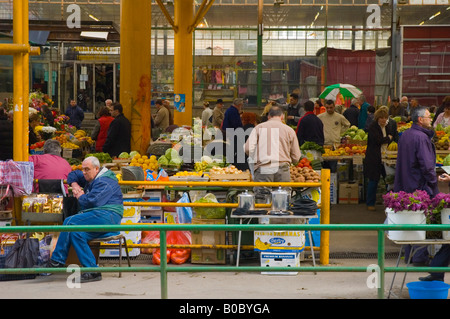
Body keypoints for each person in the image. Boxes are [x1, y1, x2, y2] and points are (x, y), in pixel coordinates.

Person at [47, 156, 123, 283]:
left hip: (109, 215)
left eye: (87, 169)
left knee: (70, 222)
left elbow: (92, 202)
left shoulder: (105, 181)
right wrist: (75, 184)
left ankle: (57, 260)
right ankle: (92, 271)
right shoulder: (91, 175)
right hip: (99, 215)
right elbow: (73, 174)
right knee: (77, 233)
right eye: (83, 169)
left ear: (97, 169)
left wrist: (80, 196)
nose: (84, 172)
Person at [394, 106, 438, 266]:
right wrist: (434, 186)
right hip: (419, 186)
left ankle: (409, 255)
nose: (431, 119)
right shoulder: (421, 138)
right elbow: (427, 167)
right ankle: (420, 258)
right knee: (419, 220)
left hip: (405, 183)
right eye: (428, 117)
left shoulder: (406, 135)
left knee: (409, 220)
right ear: (420, 119)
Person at [245, 106, 301, 202]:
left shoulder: (259, 128)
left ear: (268, 116)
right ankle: (279, 216)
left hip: (264, 167)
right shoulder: (289, 130)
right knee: (282, 201)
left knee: (262, 198)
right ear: (282, 116)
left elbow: (247, 148)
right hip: (282, 168)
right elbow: (296, 156)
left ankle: (263, 216)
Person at [363, 108, 393, 211]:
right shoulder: (373, 127)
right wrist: (388, 138)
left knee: (389, 181)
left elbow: (392, 137)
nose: (383, 120)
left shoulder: (388, 127)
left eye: (385, 118)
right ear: (377, 118)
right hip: (374, 158)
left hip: (386, 157)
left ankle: (392, 203)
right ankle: (370, 203)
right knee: (373, 181)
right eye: (381, 118)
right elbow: (377, 140)